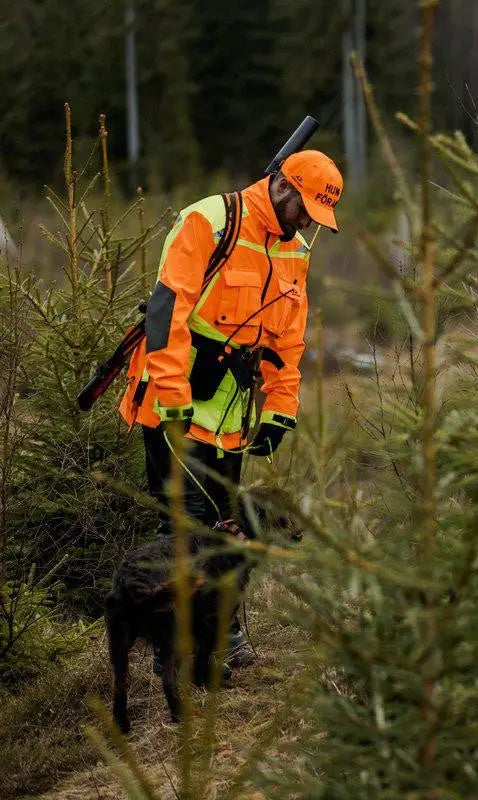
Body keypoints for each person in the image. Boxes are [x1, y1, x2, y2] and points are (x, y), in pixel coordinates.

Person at [118, 150, 344, 669]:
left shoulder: (295, 250)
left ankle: (220, 632)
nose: (308, 220)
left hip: (231, 416)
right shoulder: (209, 221)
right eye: (305, 207)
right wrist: (173, 401)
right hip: (171, 403)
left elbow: (288, 338)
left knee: (226, 524)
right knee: (188, 527)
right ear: (283, 187)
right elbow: (167, 312)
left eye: (317, 215)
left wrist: (281, 405)